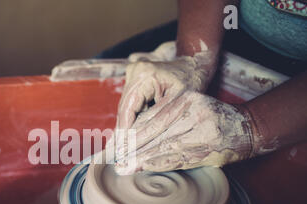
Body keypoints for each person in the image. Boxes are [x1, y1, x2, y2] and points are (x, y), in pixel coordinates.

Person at [103, 0, 307, 174]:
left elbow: (249, 127)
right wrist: (193, 59)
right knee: (110, 66)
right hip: (232, 23)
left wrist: (250, 127)